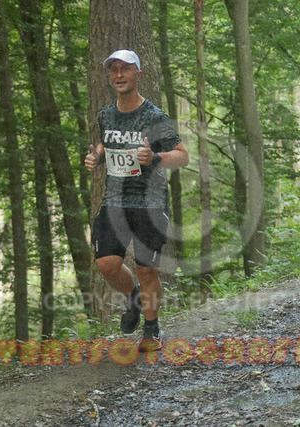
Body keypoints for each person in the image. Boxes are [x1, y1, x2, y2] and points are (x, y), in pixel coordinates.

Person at [85, 49, 189, 351]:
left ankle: (151, 329)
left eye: (125, 69)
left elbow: (182, 156)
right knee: (107, 264)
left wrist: (155, 158)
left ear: (138, 75)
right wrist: (97, 157)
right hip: (115, 201)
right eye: (114, 69)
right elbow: (107, 143)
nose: (119, 74)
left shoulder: (155, 117)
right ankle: (133, 298)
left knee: (147, 269)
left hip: (150, 203)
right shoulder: (106, 115)